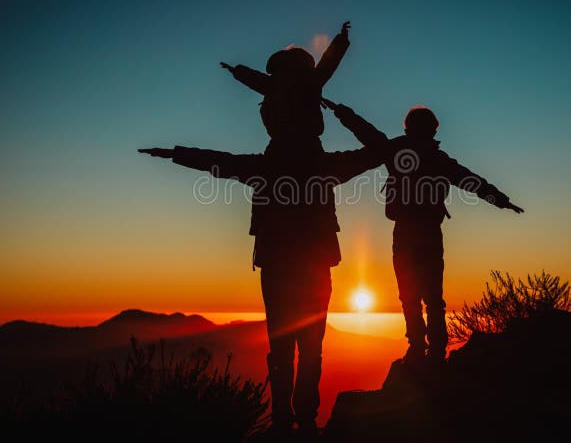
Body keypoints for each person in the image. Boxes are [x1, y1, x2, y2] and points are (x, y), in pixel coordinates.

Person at [138, 138, 400, 437]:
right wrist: (405, 142)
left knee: (282, 350)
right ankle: (304, 420)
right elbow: (368, 156)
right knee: (310, 349)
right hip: (313, 269)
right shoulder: (323, 166)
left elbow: (220, 161)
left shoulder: (266, 167)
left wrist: (175, 154)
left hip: (278, 269)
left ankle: (283, 420)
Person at [321, 98, 524, 365]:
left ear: (407, 128)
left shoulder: (396, 151)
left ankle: (417, 348)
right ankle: (436, 352)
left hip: (404, 232)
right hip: (429, 233)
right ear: (433, 130)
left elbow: (366, 132)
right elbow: (470, 180)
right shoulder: (437, 158)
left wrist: (341, 112)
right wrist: (500, 199)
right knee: (432, 296)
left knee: (409, 295)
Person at [220, 21, 351, 156]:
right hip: (303, 146)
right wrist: (341, 40)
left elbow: (254, 78)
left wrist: (236, 70)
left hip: (286, 146)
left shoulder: (276, 83)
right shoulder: (309, 80)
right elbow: (328, 63)